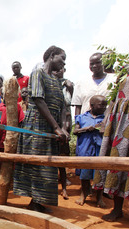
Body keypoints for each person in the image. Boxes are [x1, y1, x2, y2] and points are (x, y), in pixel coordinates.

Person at [93, 32, 129, 226]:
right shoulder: (127, 68)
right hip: (119, 122)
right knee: (116, 163)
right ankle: (117, 209)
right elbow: (115, 96)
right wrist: (108, 120)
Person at [13, 45, 69, 213]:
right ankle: (35, 202)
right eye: (62, 58)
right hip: (37, 125)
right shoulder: (38, 73)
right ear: (52, 56)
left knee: (48, 165)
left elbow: (61, 106)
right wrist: (57, 127)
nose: (64, 63)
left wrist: (63, 128)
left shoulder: (56, 80)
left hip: (50, 127)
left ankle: (39, 201)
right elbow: (38, 100)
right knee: (37, 164)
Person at [74, 95, 107, 207]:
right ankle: (83, 194)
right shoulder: (81, 117)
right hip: (85, 148)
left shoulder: (105, 119)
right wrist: (86, 129)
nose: (104, 107)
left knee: (100, 173)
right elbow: (75, 131)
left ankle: (99, 198)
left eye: (105, 105)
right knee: (84, 173)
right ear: (92, 105)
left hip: (100, 149)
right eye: (101, 104)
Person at [53, 66, 74, 200]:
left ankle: (64, 187)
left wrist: (64, 129)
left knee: (61, 154)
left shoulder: (68, 84)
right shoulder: (51, 84)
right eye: (56, 70)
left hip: (64, 121)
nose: (58, 71)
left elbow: (69, 103)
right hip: (53, 120)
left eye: (60, 69)